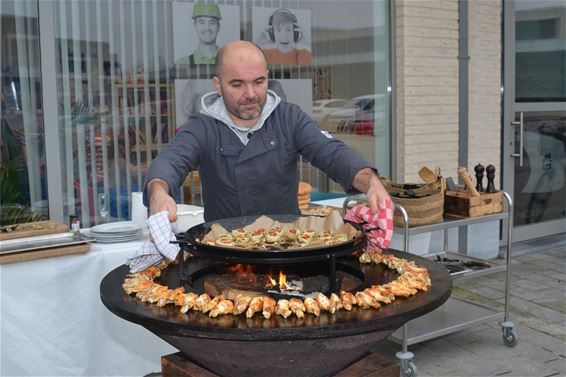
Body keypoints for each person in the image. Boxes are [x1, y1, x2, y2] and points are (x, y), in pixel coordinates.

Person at [144, 40, 389, 223]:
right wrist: (158, 191)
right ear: (218, 85)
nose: (250, 94)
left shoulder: (288, 117)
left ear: (267, 78)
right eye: (237, 84)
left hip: (287, 251)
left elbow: (331, 152)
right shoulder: (203, 126)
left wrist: (370, 181)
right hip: (225, 255)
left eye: (258, 82)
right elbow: (171, 160)